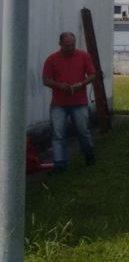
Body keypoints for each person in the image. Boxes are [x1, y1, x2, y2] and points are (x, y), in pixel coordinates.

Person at [42, 32, 96, 171]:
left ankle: (89, 156)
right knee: (58, 133)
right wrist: (60, 86)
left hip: (79, 102)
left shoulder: (84, 56)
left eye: (72, 45)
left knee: (83, 131)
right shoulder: (51, 59)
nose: (71, 48)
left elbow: (92, 74)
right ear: (60, 44)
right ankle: (60, 163)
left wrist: (82, 84)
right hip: (59, 103)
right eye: (67, 46)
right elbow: (46, 80)